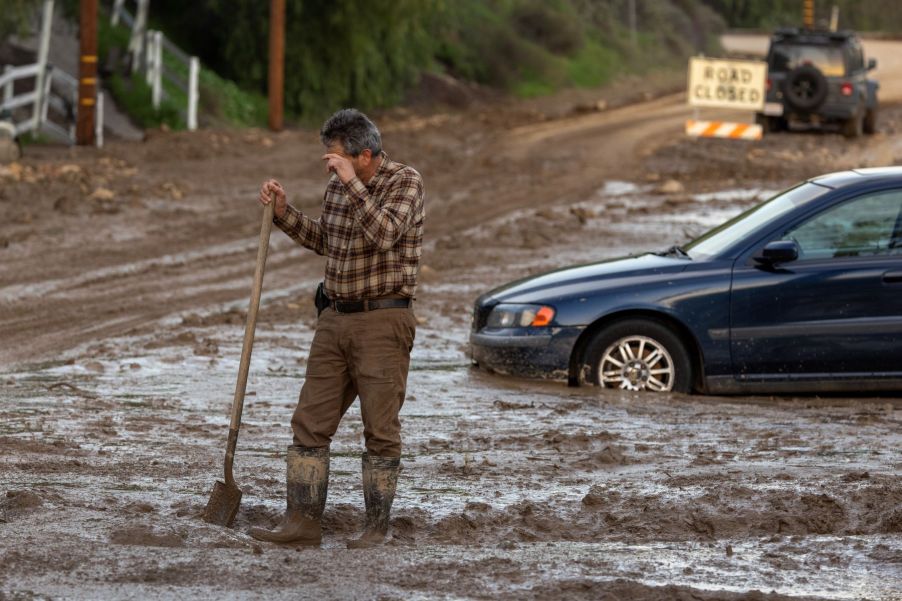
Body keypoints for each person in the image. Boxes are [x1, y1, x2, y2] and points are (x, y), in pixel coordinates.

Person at [249, 109, 425, 549]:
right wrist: (285, 214)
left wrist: (350, 183)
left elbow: (384, 233)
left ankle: (377, 529)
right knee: (309, 422)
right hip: (334, 317)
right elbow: (327, 242)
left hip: (384, 320)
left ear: (365, 155)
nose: (329, 164)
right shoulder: (337, 185)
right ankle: (302, 524)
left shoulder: (405, 182)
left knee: (380, 428)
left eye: (337, 157)